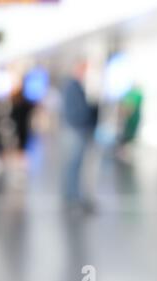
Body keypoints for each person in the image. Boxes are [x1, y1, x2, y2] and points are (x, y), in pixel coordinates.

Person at [62, 60, 98, 211]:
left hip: (78, 130)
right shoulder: (73, 87)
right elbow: (76, 112)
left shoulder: (76, 87)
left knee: (76, 165)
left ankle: (73, 195)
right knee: (74, 165)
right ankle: (72, 196)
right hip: (76, 130)